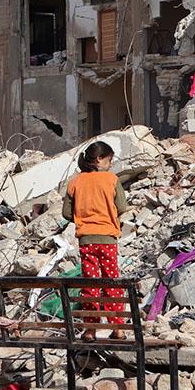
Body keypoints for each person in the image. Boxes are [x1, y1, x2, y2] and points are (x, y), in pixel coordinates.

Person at [61, 141, 130, 342]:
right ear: (99, 159)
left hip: (86, 241)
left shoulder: (75, 182)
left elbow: (66, 213)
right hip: (108, 239)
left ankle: (90, 330)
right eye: (109, 160)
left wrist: (84, 217)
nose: (111, 164)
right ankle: (118, 329)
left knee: (90, 283)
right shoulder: (111, 180)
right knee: (111, 282)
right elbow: (122, 207)